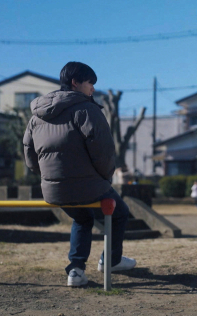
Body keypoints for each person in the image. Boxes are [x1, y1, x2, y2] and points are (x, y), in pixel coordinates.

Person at [23, 61, 136, 287]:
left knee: (82, 218)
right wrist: (106, 177)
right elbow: (103, 150)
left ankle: (75, 271)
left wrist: (47, 177)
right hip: (90, 185)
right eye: (89, 83)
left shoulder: (37, 116)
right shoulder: (86, 109)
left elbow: (28, 153)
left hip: (53, 189)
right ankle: (110, 260)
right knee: (120, 212)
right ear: (75, 83)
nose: (92, 88)